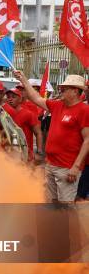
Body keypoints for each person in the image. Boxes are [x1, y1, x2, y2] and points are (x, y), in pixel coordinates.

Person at [15, 72, 89, 204]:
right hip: (51, 165)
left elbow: (87, 140)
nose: (61, 91)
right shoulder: (57, 105)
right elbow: (36, 98)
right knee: (51, 203)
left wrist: (76, 167)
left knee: (66, 207)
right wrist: (24, 80)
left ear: (75, 91)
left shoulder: (84, 110)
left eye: (64, 89)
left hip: (67, 168)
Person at [3, 88, 43, 163]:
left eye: (13, 97)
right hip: (8, 154)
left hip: (25, 154)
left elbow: (38, 133)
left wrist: (39, 152)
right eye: (8, 97)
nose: (10, 99)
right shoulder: (4, 114)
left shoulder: (28, 114)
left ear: (20, 99)